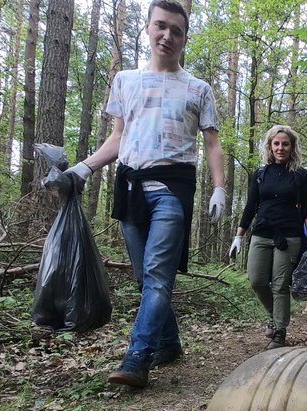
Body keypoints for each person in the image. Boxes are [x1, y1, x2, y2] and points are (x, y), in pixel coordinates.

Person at [61, 0, 226, 388]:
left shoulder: (198, 88)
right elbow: (117, 138)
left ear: (186, 38)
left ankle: (137, 357)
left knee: (156, 275)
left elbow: (212, 143)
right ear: (148, 29)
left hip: (173, 187)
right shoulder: (125, 81)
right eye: (161, 26)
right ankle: (169, 342)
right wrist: (83, 168)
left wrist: (220, 188)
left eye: (176, 30)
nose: (167, 35)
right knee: (143, 276)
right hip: (130, 185)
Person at [229, 125, 307, 349]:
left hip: (289, 236)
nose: (280, 148)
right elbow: (251, 206)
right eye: (276, 143)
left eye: (285, 144)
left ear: (292, 147)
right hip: (262, 233)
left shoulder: (301, 175)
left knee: (280, 285)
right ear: (270, 145)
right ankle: (273, 315)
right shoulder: (260, 174)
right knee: (256, 280)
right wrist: (239, 236)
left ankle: (280, 332)